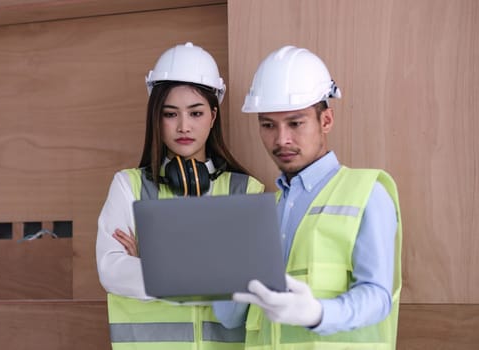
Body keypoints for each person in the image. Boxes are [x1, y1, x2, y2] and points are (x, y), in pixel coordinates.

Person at [220, 45, 403, 349]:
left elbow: (379, 297)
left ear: (326, 121)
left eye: (295, 123)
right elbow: (230, 317)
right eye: (268, 125)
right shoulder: (264, 213)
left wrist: (318, 313)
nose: (281, 140)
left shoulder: (366, 193)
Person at [95, 42, 265, 350]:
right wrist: (211, 272)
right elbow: (112, 271)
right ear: (156, 119)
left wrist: (152, 265)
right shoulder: (128, 186)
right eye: (170, 114)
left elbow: (246, 285)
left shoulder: (246, 191)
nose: (183, 126)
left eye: (196, 113)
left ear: (213, 116)